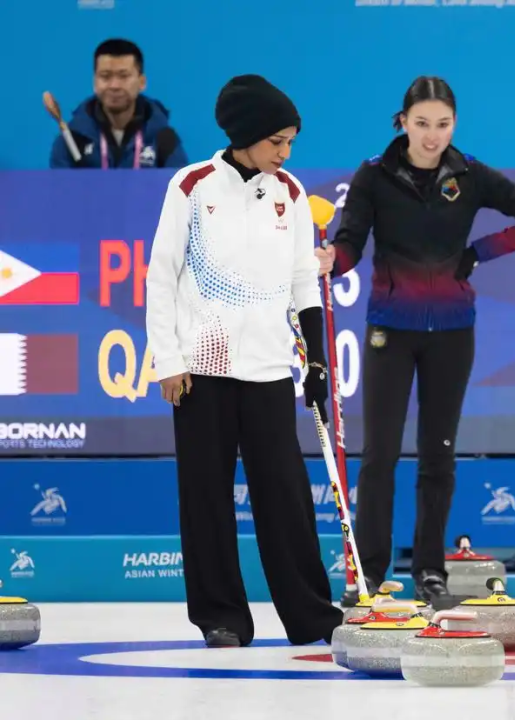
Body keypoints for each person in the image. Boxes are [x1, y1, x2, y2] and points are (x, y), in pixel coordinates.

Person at [316, 76, 515, 604]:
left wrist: (476, 254)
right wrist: (333, 260)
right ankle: (369, 574)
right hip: (390, 329)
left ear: (455, 124)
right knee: (379, 455)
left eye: (442, 124)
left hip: (451, 332)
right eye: (422, 123)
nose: (432, 136)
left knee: (438, 455)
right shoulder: (374, 175)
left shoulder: (469, 174)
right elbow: (351, 242)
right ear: (402, 122)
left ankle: (430, 573)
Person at [145, 74, 342, 648]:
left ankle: (311, 616)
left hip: (268, 370)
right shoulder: (191, 186)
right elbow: (162, 276)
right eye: (277, 141)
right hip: (200, 372)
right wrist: (168, 360)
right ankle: (221, 617)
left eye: (291, 142)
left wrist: (317, 360)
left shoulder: (291, 193)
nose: (286, 153)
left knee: (285, 496)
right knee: (205, 497)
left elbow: (304, 279)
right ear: (246, 134)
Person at [49, 38, 187, 169]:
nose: (114, 85)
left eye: (123, 76)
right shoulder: (72, 139)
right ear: (94, 82)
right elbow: (59, 185)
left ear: (142, 82)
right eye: (105, 76)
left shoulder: (163, 138)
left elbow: (180, 184)